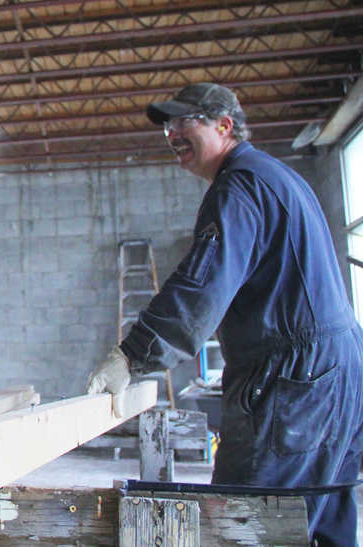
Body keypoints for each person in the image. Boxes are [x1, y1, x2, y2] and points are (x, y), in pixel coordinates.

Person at [85, 82, 363, 545]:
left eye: (182, 122)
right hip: (339, 369)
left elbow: (203, 283)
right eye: (166, 127)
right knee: (325, 515)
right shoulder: (277, 176)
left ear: (224, 125)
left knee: (248, 522)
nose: (171, 133)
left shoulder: (241, 185)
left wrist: (133, 356)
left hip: (293, 378)